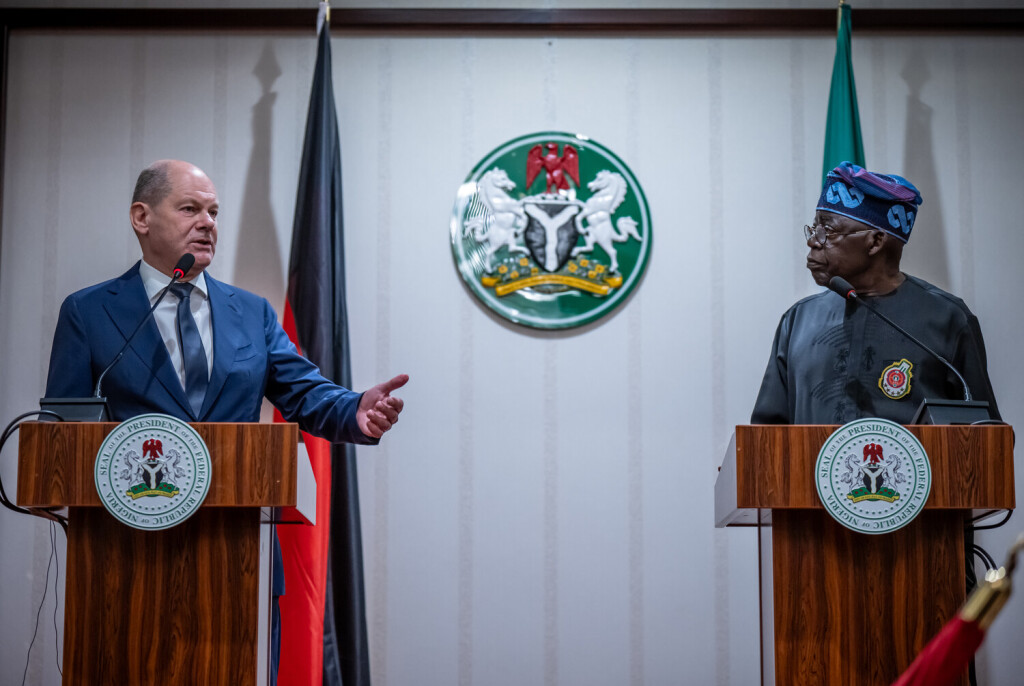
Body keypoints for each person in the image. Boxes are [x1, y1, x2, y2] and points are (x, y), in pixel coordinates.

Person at [44, 159, 407, 683]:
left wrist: (355, 409)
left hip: (240, 560)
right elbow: (63, 435)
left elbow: (305, 393)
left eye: (213, 211)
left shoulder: (252, 313)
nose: (209, 222)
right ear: (141, 217)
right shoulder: (89, 311)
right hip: (122, 563)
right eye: (190, 208)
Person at [751, 161, 999, 425]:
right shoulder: (798, 320)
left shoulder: (947, 319)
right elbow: (764, 437)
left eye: (828, 231)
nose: (813, 241)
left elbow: (985, 440)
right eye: (814, 230)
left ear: (876, 241)